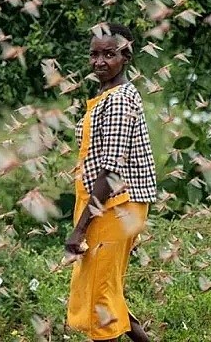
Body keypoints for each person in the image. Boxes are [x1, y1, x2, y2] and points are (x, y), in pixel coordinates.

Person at [65, 22, 158, 342]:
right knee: (106, 290)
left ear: (126, 55)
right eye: (94, 54)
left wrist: (80, 228)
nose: (99, 61)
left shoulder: (118, 99)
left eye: (109, 54)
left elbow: (112, 170)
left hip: (116, 205)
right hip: (107, 204)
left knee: (101, 296)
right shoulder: (107, 95)